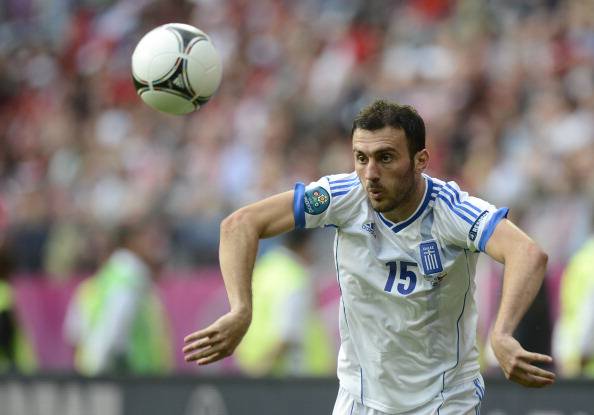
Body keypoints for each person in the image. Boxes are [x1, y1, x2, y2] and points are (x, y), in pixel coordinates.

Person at [183, 100, 555, 414]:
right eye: (361, 158)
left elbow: (527, 253)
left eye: (385, 158)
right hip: (360, 399)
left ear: (420, 160)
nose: (370, 174)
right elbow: (240, 224)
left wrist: (502, 333)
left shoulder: (451, 211)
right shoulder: (341, 197)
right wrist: (240, 309)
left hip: (443, 400)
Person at [64, 218, 172, 375]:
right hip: (133, 377)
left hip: (96, 373)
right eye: (147, 237)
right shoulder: (129, 278)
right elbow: (112, 334)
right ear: (130, 242)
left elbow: (75, 335)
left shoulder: (98, 282)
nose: (155, 245)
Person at [234, 229, 334, 376]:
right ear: (307, 245)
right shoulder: (295, 279)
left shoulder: (265, 267)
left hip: (252, 363)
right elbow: (287, 335)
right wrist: (261, 371)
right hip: (292, 375)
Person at [553, 236, 594, 377]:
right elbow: (589, 315)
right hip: (584, 364)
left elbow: (567, 312)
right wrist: (583, 354)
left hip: (573, 359)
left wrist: (561, 351)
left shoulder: (580, 259)